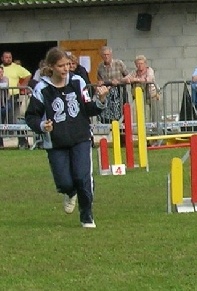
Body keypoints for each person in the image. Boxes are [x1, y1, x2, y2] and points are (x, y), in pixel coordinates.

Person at [25, 47, 110, 228]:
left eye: (68, 65)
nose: (65, 69)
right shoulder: (42, 89)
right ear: (51, 67)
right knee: (65, 183)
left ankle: (87, 216)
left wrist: (100, 101)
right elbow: (31, 116)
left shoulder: (77, 82)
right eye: (61, 66)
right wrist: (42, 126)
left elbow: (89, 108)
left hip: (81, 137)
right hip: (56, 142)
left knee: (82, 177)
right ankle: (69, 192)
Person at [1, 51, 32, 149]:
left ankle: (22, 142)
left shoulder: (16, 67)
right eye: (6, 57)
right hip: (1, 98)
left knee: (17, 119)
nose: (8, 59)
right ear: (2, 58)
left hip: (14, 97)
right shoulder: (1, 68)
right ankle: (1, 143)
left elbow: (28, 75)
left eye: (10, 57)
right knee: (1, 121)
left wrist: (22, 86)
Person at [122, 55, 160, 129]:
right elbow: (125, 79)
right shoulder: (134, 72)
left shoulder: (149, 70)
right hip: (141, 98)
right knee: (144, 116)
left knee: (155, 116)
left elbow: (149, 79)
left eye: (141, 63)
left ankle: (158, 134)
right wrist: (128, 80)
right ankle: (146, 132)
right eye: (138, 64)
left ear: (145, 64)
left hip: (153, 95)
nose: (139, 65)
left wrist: (135, 79)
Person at [96, 46, 129, 124]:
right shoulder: (100, 66)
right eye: (104, 55)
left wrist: (119, 81)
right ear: (101, 56)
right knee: (107, 114)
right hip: (107, 93)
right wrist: (100, 82)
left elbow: (128, 77)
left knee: (121, 112)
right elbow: (99, 79)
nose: (106, 56)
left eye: (108, 54)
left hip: (119, 91)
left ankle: (123, 131)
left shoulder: (119, 63)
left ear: (111, 55)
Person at [0, 66, 10, 149]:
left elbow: (4, 85)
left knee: (1, 122)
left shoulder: (5, 79)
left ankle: (1, 142)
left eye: (1, 72)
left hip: (3, 104)